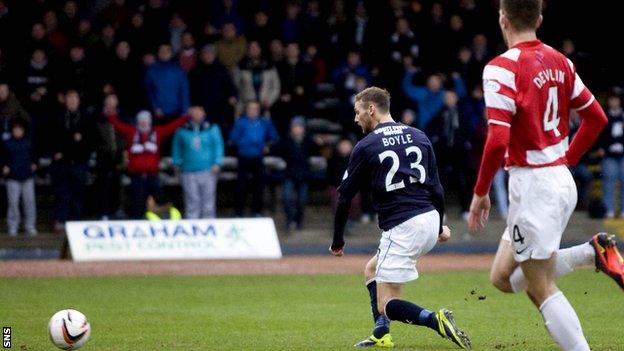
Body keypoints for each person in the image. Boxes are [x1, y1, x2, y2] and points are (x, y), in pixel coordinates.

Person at [467, 2, 623, 350]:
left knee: (539, 286)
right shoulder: (561, 62)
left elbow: (497, 141)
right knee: (502, 278)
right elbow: (596, 118)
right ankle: (591, 253)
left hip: (533, 183)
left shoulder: (500, 69)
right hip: (556, 179)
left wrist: (481, 192)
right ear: (539, 19)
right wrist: (566, 158)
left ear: (502, 20)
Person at [330, 87, 470, 349]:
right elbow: (436, 188)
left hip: (403, 225)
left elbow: (345, 197)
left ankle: (436, 320)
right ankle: (381, 333)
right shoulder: (419, 135)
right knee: (372, 269)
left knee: (387, 304)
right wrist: (439, 225)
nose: (356, 118)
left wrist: (337, 240)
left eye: (358, 112)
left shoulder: (367, 145)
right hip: (428, 218)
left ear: (371, 109)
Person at [106, 109, 189, 219]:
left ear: (150, 122)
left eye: (146, 120)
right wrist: (110, 115)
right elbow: (118, 125)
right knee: (137, 202)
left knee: (159, 200)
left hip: (152, 176)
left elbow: (172, 127)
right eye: (141, 121)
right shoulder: (131, 132)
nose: (144, 123)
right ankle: (137, 223)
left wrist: (186, 117)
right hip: (136, 176)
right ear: (137, 122)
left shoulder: (157, 132)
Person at [51, 90, 94, 231]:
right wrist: (72, 141)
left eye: (74, 98)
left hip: (79, 162)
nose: (72, 100)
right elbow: (56, 137)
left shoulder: (86, 117)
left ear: (79, 100)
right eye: (69, 98)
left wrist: (72, 143)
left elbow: (89, 140)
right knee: (61, 194)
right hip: (62, 163)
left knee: (78, 194)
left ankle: (76, 223)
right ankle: (60, 221)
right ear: (65, 100)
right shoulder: (58, 116)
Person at [171, 106, 224, 219]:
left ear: (203, 113)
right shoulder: (182, 130)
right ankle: (192, 226)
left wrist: (218, 162)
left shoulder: (212, 128)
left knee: (208, 200)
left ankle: (209, 225)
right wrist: (176, 163)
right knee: (192, 200)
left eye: (199, 112)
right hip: (188, 170)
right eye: (194, 113)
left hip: (208, 169)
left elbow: (218, 146)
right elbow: (176, 148)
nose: (197, 115)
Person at [229, 101, 278, 217]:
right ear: (246, 110)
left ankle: (256, 211)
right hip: (243, 157)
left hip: (258, 157)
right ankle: (238, 212)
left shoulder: (264, 122)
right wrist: (249, 143)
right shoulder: (241, 122)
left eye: (256, 109)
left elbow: (274, 137)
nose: (253, 111)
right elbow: (233, 139)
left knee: (259, 185)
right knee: (241, 185)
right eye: (251, 109)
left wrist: (267, 146)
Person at [2, 118, 37, 236]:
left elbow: (35, 154)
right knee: (13, 203)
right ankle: (13, 226)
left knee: (29, 202)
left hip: (27, 176)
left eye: (20, 129)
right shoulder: (7, 143)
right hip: (12, 178)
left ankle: (30, 226)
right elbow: (2, 158)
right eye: (15, 129)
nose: (17, 131)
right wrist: (4, 167)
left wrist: (35, 164)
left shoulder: (29, 142)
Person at [144, 44, 190, 120]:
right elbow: (149, 91)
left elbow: (184, 91)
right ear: (158, 53)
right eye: (162, 50)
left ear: (171, 53)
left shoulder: (178, 70)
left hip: (177, 112)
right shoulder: (151, 70)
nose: (164, 52)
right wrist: (155, 108)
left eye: (167, 50)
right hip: (159, 113)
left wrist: (184, 111)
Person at [598, 94, 624, 218]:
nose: (614, 102)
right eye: (611, 100)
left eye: (616, 100)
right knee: (609, 180)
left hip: (622, 154)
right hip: (609, 154)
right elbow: (599, 134)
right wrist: (601, 147)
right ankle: (608, 209)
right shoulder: (605, 116)